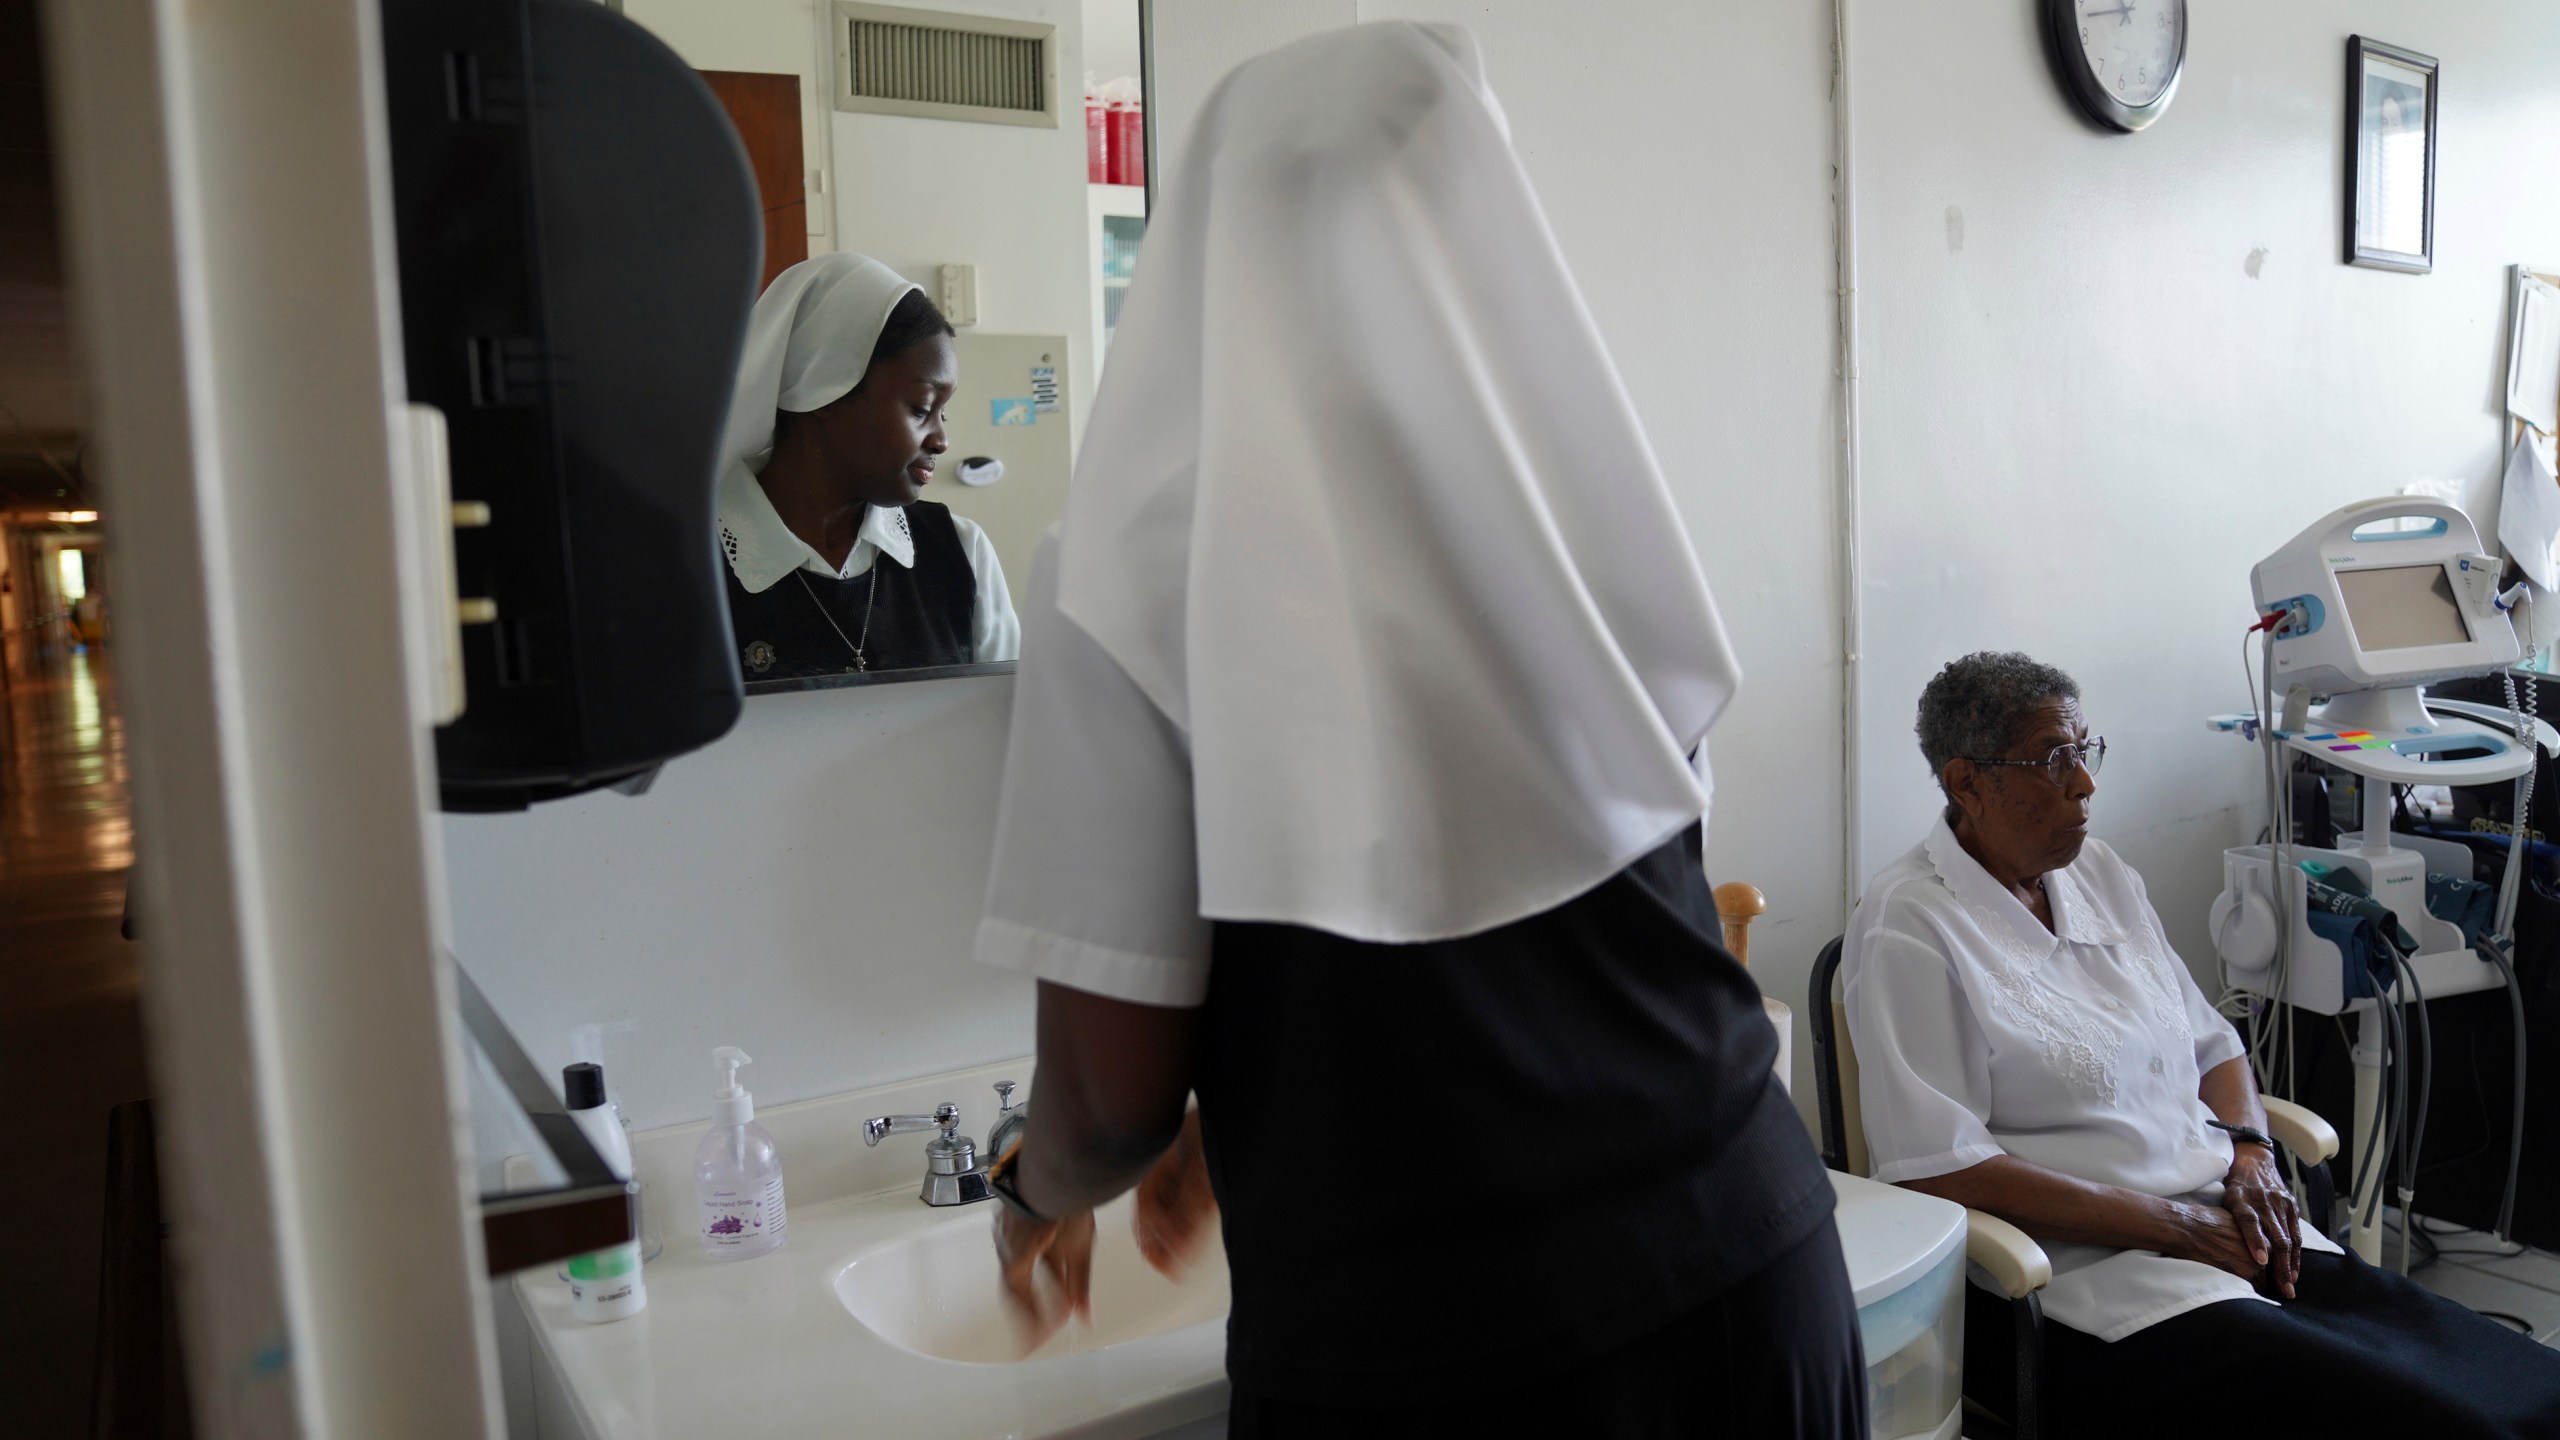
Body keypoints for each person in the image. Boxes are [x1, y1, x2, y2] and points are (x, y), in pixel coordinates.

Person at [967, 22, 1865, 1436]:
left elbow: (1105, 1095)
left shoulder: (1135, 558)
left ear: (1215, 245)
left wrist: (1031, 1192)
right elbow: (1560, 917)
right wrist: (1244, 1106)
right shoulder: (1576, 489)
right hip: (1750, 1265)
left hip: (1434, 1351)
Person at [1845, 650, 2560, 1439]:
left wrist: (2251, 1152)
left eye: (2086, 754)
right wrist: (2175, 1227)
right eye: (2055, 761)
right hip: (2086, 1287)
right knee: (2443, 1423)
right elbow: (1942, 1169)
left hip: (2229, 1223)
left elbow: (2213, 1043)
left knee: (2521, 1387)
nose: (2085, 784)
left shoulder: (2099, 875)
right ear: (1965, 781)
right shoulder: (1910, 926)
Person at [715, 252, 1019, 679]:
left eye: (942, 414)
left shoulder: (960, 552)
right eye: (921, 408)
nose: (941, 439)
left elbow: (1004, 724)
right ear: (823, 390)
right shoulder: (686, 566)